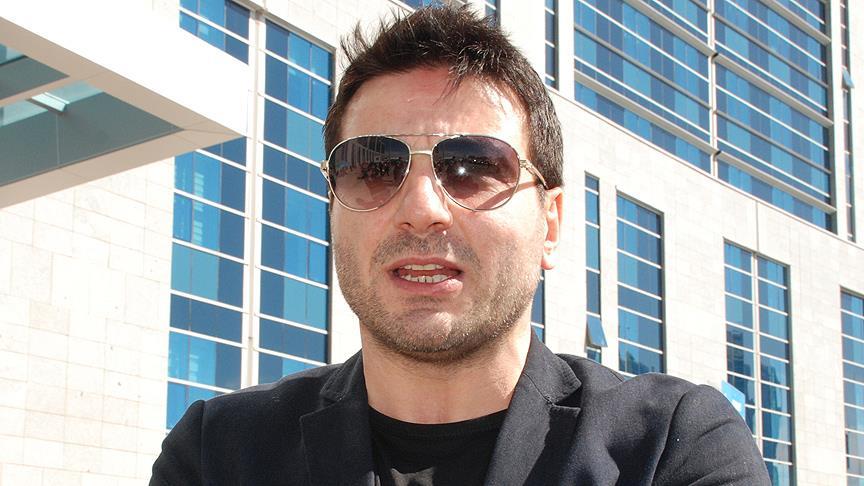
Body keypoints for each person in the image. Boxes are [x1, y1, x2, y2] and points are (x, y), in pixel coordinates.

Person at [151, 6, 769, 485]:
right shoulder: (218, 453)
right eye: (374, 167)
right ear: (333, 208)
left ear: (551, 224)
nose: (421, 208)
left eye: (473, 166)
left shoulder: (671, 447)